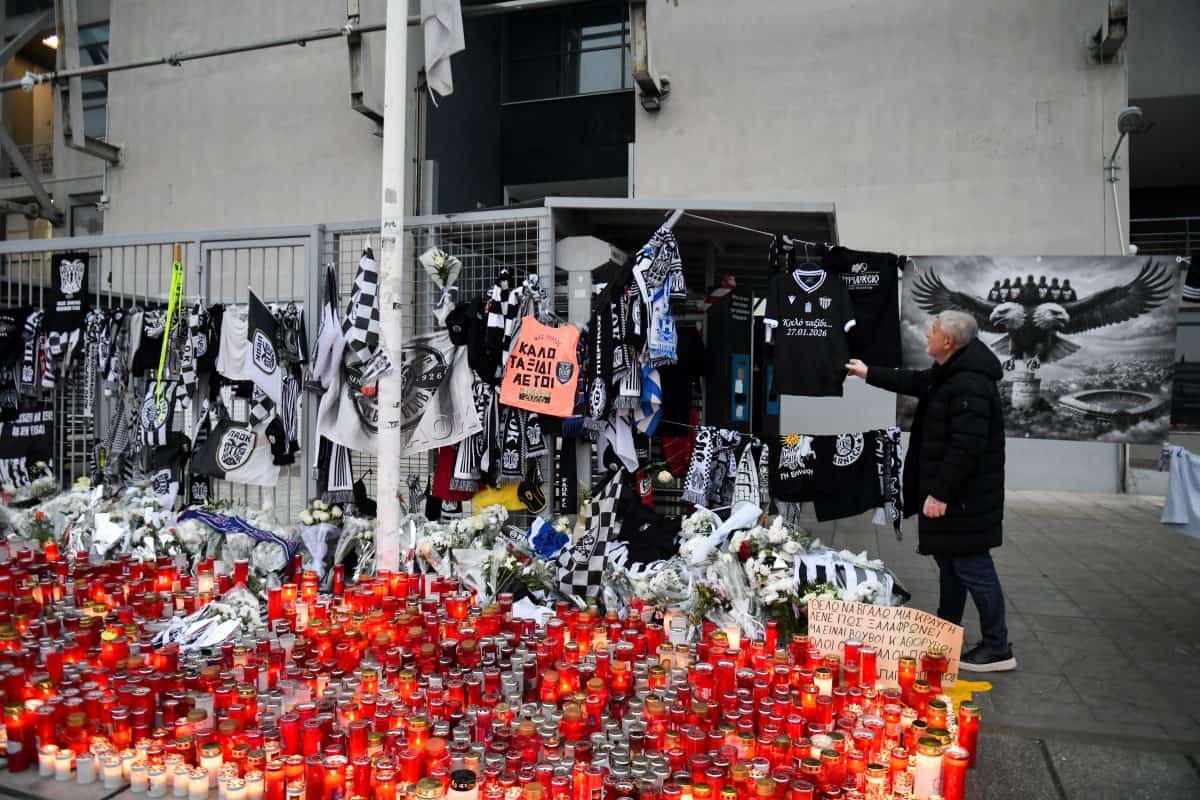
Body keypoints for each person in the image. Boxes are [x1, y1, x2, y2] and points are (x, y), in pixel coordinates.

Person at [846, 310, 1016, 672]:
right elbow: (914, 381)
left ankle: (998, 647)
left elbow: (966, 448)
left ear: (948, 342)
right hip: (956, 496)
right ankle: (946, 631)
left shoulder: (969, 383)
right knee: (951, 564)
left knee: (974, 568)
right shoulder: (950, 372)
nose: (927, 335)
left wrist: (940, 494)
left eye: (933, 331)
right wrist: (867, 373)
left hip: (965, 499)